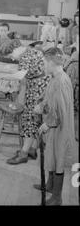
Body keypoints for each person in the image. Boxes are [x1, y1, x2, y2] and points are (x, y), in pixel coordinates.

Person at [33, 47, 76, 205]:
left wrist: (48, 123)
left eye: (44, 62)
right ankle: (50, 186)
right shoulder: (54, 77)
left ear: (51, 62)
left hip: (60, 128)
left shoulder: (62, 81)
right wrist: (41, 105)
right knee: (51, 155)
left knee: (58, 158)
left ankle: (57, 197)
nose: (43, 65)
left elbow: (61, 110)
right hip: (53, 126)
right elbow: (50, 101)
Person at [0, 44, 51, 164]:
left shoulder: (25, 57)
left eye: (12, 56)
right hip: (43, 85)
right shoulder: (33, 52)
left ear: (15, 50)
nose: (13, 58)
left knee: (29, 119)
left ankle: (23, 153)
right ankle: (32, 149)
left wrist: (2, 76)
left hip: (37, 88)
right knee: (36, 119)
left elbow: (20, 75)